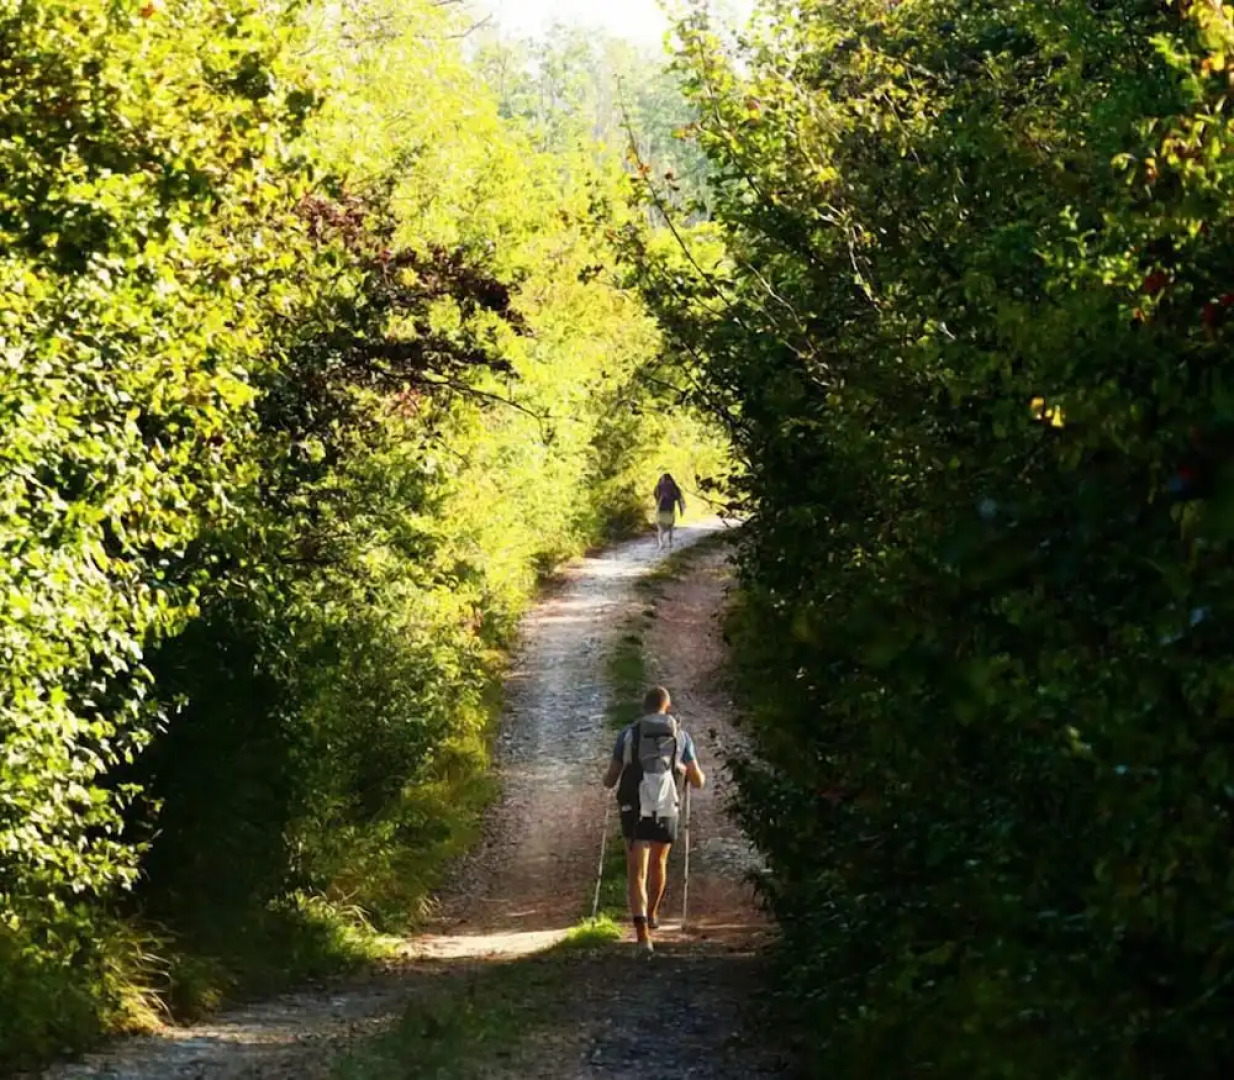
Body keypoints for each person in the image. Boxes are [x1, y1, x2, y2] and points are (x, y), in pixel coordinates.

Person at [602, 685, 705, 954]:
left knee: (636, 870)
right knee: (659, 862)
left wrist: (608, 780)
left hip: (635, 806)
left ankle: (643, 936)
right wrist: (685, 772)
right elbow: (698, 780)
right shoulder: (681, 736)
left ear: (643, 708)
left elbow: (611, 778)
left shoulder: (628, 734)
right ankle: (652, 914)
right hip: (666, 805)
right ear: (667, 707)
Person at [653, 472, 686, 549]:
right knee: (670, 527)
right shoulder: (674, 486)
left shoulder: (659, 486)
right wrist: (681, 509)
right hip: (670, 509)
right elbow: (679, 498)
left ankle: (661, 543)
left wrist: (659, 501)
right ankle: (670, 542)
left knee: (660, 528)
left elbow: (655, 496)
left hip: (661, 509)